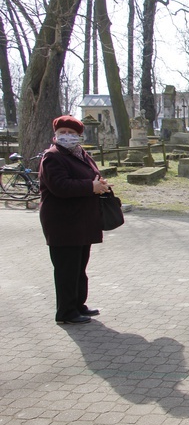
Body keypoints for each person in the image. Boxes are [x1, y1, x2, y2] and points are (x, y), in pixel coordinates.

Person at [39, 115, 111, 325]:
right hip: (63, 222)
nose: (67, 136)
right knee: (66, 269)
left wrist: (100, 184)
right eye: (63, 133)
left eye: (72, 133)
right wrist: (90, 187)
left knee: (79, 267)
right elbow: (60, 186)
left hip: (82, 221)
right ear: (56, 135)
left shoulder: (81, 155)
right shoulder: (53, 157)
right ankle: (66, 312)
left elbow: (90, 177)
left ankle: (78, 304)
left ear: (79, 136)